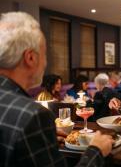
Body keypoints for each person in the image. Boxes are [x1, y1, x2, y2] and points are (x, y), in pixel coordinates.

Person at [0, 12, 114, 167]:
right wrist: (96, 150)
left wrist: (39, 137)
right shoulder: (34, 116)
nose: (46, 63)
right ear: (31, 58)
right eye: (45, 54)